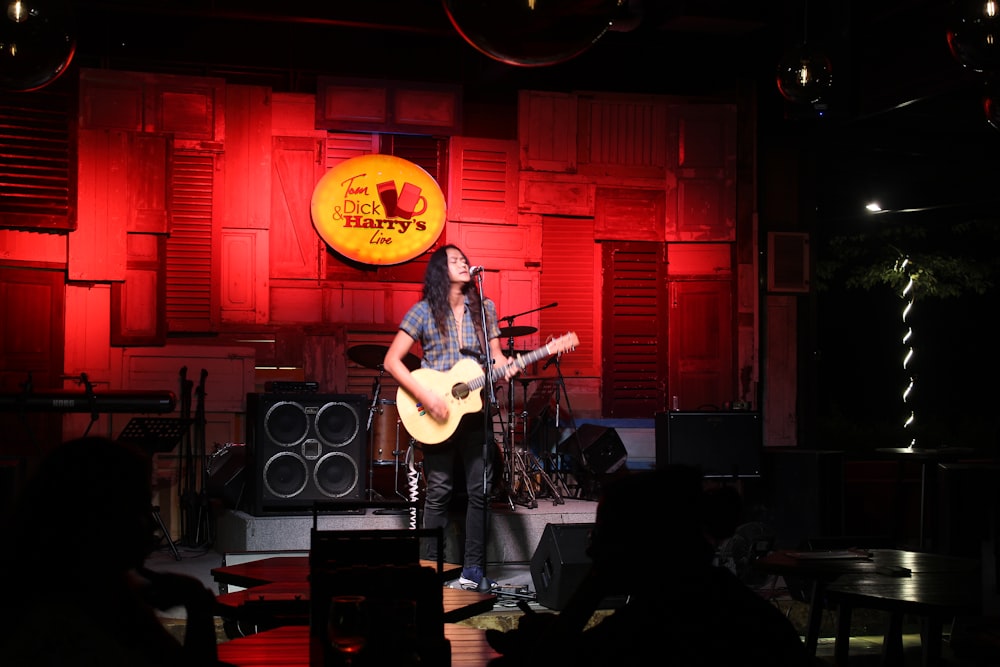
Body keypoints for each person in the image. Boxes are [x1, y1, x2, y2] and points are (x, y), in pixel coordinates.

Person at [485, 465, 816, 666]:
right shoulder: (723, 602)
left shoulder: (658, 624)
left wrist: (593, 587)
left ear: (639, 543)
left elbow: (563, 661)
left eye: (601, 534)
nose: (591, 546)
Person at [0, 436, 222, 667]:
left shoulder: (107, 593)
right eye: (140, 507)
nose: (153, 524)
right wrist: (197, 605)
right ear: (100, 517)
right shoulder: (64, 627)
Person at [384, 244, 520, 590]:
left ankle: (473, 571)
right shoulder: (423, 311)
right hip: (436, 413)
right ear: (438, 271)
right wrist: (426, 396)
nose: (463, 263)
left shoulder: (484, 308)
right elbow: (392, 361)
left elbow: (496, 357)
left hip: (474, 411)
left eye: (465, 260)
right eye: (454, 260)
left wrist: (508, 367)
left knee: (481, 490)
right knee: (439, 491)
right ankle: (430, 569)